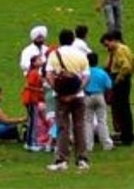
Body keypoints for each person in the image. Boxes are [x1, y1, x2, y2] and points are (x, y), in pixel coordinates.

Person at [43, 29, 91, 171]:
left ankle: (61, 160)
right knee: (79, 126)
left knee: (62, 127)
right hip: (78, 96)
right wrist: (77, 91)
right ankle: (82, 159)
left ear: (60, 40)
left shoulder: (54, 54)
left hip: (61, 96)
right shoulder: (81, 55)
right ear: (73, 40)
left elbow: (49, 75)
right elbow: (86, 76)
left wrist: (59, 91)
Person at [101, 30, 134, 147]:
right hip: (121, 78)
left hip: (120, 80)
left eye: (107, 44)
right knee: (121, 108)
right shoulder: (119, 50)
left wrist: (118, 78)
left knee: (122, 108)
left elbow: (126, 66)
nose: (106, 47)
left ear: (113, 41)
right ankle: (124, 135)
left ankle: (126, 136)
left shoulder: (120, 50)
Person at [84, 51, 115, 151]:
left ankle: (88, 145)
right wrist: (108, 98)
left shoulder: (85, 72)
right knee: (102, 120)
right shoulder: (102, 72)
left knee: (88, 121)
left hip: (87, 96)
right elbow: (109, 86)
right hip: (100, 95)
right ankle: (107, 143)